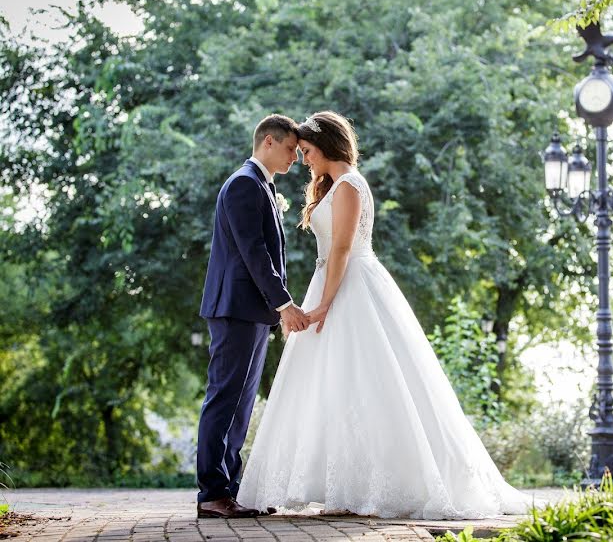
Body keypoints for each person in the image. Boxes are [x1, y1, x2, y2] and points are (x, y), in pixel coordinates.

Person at [237, 111, 533, 518]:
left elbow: (341, 249)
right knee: (336, 386)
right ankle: (342, 487)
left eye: (305, 151)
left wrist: (324, 303)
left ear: (325, 146)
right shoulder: (334, 185)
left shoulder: (349, 186)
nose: (303, 159)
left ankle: (362, 489)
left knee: (364, 382)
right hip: (332, 281)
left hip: (350, 286)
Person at [196, 114, 309, 518]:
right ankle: (212, 493)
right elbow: (253, 251)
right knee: (224, 400)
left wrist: (274, 308)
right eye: (291, 149)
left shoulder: (262, 184)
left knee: (241, 406)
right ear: (268, 143)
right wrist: (284, 304)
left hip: (252, 312)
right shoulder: (245, 183)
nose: (296, 157)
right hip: (235, 309)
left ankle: (232, 487)